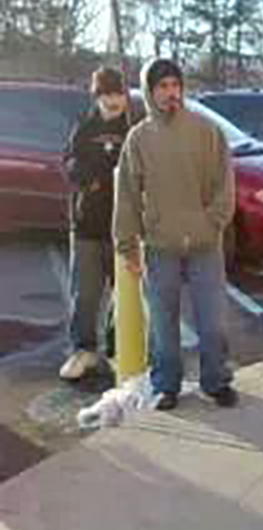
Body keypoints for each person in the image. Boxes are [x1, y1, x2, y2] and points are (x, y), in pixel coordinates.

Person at [113, 58, 238, 411]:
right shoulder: (138, 139)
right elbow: (126, 197)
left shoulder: (207, 131)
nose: (170, 93)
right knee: (163, 327)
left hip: (204, 246)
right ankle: (166, 385)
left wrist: (210, 223)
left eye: (175, 85)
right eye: (162, 87)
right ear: (150, 92)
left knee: (213, 322)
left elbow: (225, 187)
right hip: (160, 247)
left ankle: (216, 381)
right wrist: (128, 246)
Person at [60, 67, 130, 380]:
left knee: (125, 293)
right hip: (87, 225)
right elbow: (70, 164)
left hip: (125, 226)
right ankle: (82, 351)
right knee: (85, 294)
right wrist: (92, 178)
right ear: (97, 96)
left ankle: (118, 350)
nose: (112, 100)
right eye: (106, 94)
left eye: (117, 93)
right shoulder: (84, 127)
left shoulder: (135, 127)